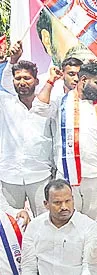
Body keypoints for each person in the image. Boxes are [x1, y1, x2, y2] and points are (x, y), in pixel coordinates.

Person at [41, 62, 97, 221]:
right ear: (83, 79)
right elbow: (39, 108)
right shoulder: (61, 102)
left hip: (96, 176)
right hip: (67, 176)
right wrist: (50, 81)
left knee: (94, 223)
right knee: (68, 222)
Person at [0, 60, 56, 216]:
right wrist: (11, 61)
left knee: (44, 220)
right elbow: (4, 80)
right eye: (18, 79)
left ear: (37, 81)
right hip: (9, 175)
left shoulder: (49, 106)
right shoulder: (5, 102)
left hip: (39, 174)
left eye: (27, 78)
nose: (22, 82)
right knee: (10, 222)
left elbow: (43, 107)